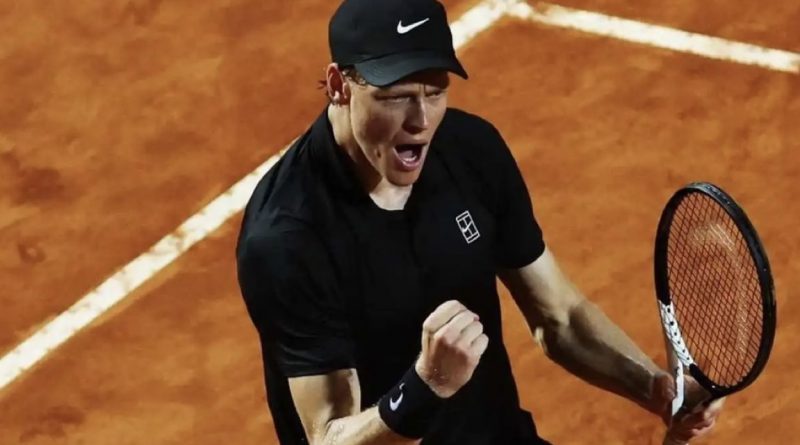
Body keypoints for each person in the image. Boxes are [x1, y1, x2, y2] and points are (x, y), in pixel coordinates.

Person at [235, 0, 725, 443]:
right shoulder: (287, 238)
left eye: (435, 92)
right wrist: (425, 387)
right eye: (396, 96)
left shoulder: (471, 152)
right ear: (340, 86)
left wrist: (655, 388)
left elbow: (560, 317)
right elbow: (328, 436)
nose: (420, 120)